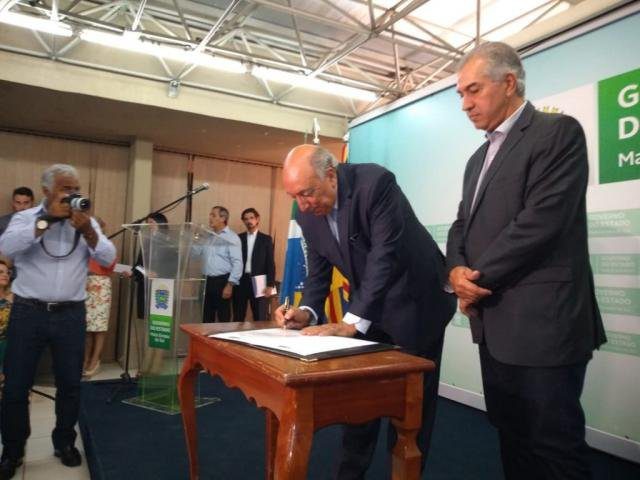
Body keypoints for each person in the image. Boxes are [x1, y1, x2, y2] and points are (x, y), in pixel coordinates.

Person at [446, 42, 606, 480]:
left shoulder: (558, 133)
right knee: (512, 439)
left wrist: (473, 279)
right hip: (493, 324)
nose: (465, 104)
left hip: (544, 326)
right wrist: (455, 270)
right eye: (460, 94)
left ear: (509, 83)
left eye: (473, 90)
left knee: (553, 449)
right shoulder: (476, 159)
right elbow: (461, 225)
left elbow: (541, 223)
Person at [275, 145, 456, 479]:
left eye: (307, 193)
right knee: (359, 401)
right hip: (369, 304)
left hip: (416, 301)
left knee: (410, 408)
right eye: (294, 196)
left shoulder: (375, 184)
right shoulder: (306, 213)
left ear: (331, 175)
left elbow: (384, 257)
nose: (302, 205)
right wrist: (307, 311)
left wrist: (351, 323)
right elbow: (318, 272)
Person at [0, 164, 116, 479]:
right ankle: (13, 450)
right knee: (15, 386)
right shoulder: (26, 218)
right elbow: (7, 248)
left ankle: (64, 442)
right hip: (29, 312)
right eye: (66, 188)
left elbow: (108, 257)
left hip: (71, 314)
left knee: (70, 384)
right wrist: (47, 221)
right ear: (47, 191)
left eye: (75, 187)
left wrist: (88, 231)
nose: (72, 193)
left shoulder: (85, 220)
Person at [195, 206, 242, 323]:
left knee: (223, 318)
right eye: (210, 215)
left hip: (222, 282)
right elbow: (194, 254)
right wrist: (195, 239)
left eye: (213, 215)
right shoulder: (208, 236)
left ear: (223, 218)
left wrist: (230, 285)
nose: (210, 217)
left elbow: (237, 263)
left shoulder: (232, 237)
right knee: (206, 317)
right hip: (205, 281)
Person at [83, 218, 116, 378]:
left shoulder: (107, 247)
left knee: (99, 327)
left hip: (101, 285)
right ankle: (85, 359)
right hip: (85, 285)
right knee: (87, 327)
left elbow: (110, 265)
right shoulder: (83, 244)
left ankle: (95, 360)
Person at [233, 208, 276, 321]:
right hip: (241, 281)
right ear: (243, 221)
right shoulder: (238, 238)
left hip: (259, 281)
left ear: (257, 219)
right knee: (238, 316)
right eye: (246, 219)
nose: (249, 221)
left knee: (259, 316)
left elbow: (270, 263)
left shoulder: (266, 239)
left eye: (251, 218)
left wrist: (270, 285)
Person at [0, 259, 13, 384]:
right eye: (0, 272)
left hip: (9, 347)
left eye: (7, 272)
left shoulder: (14, 297)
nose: (5, 275)